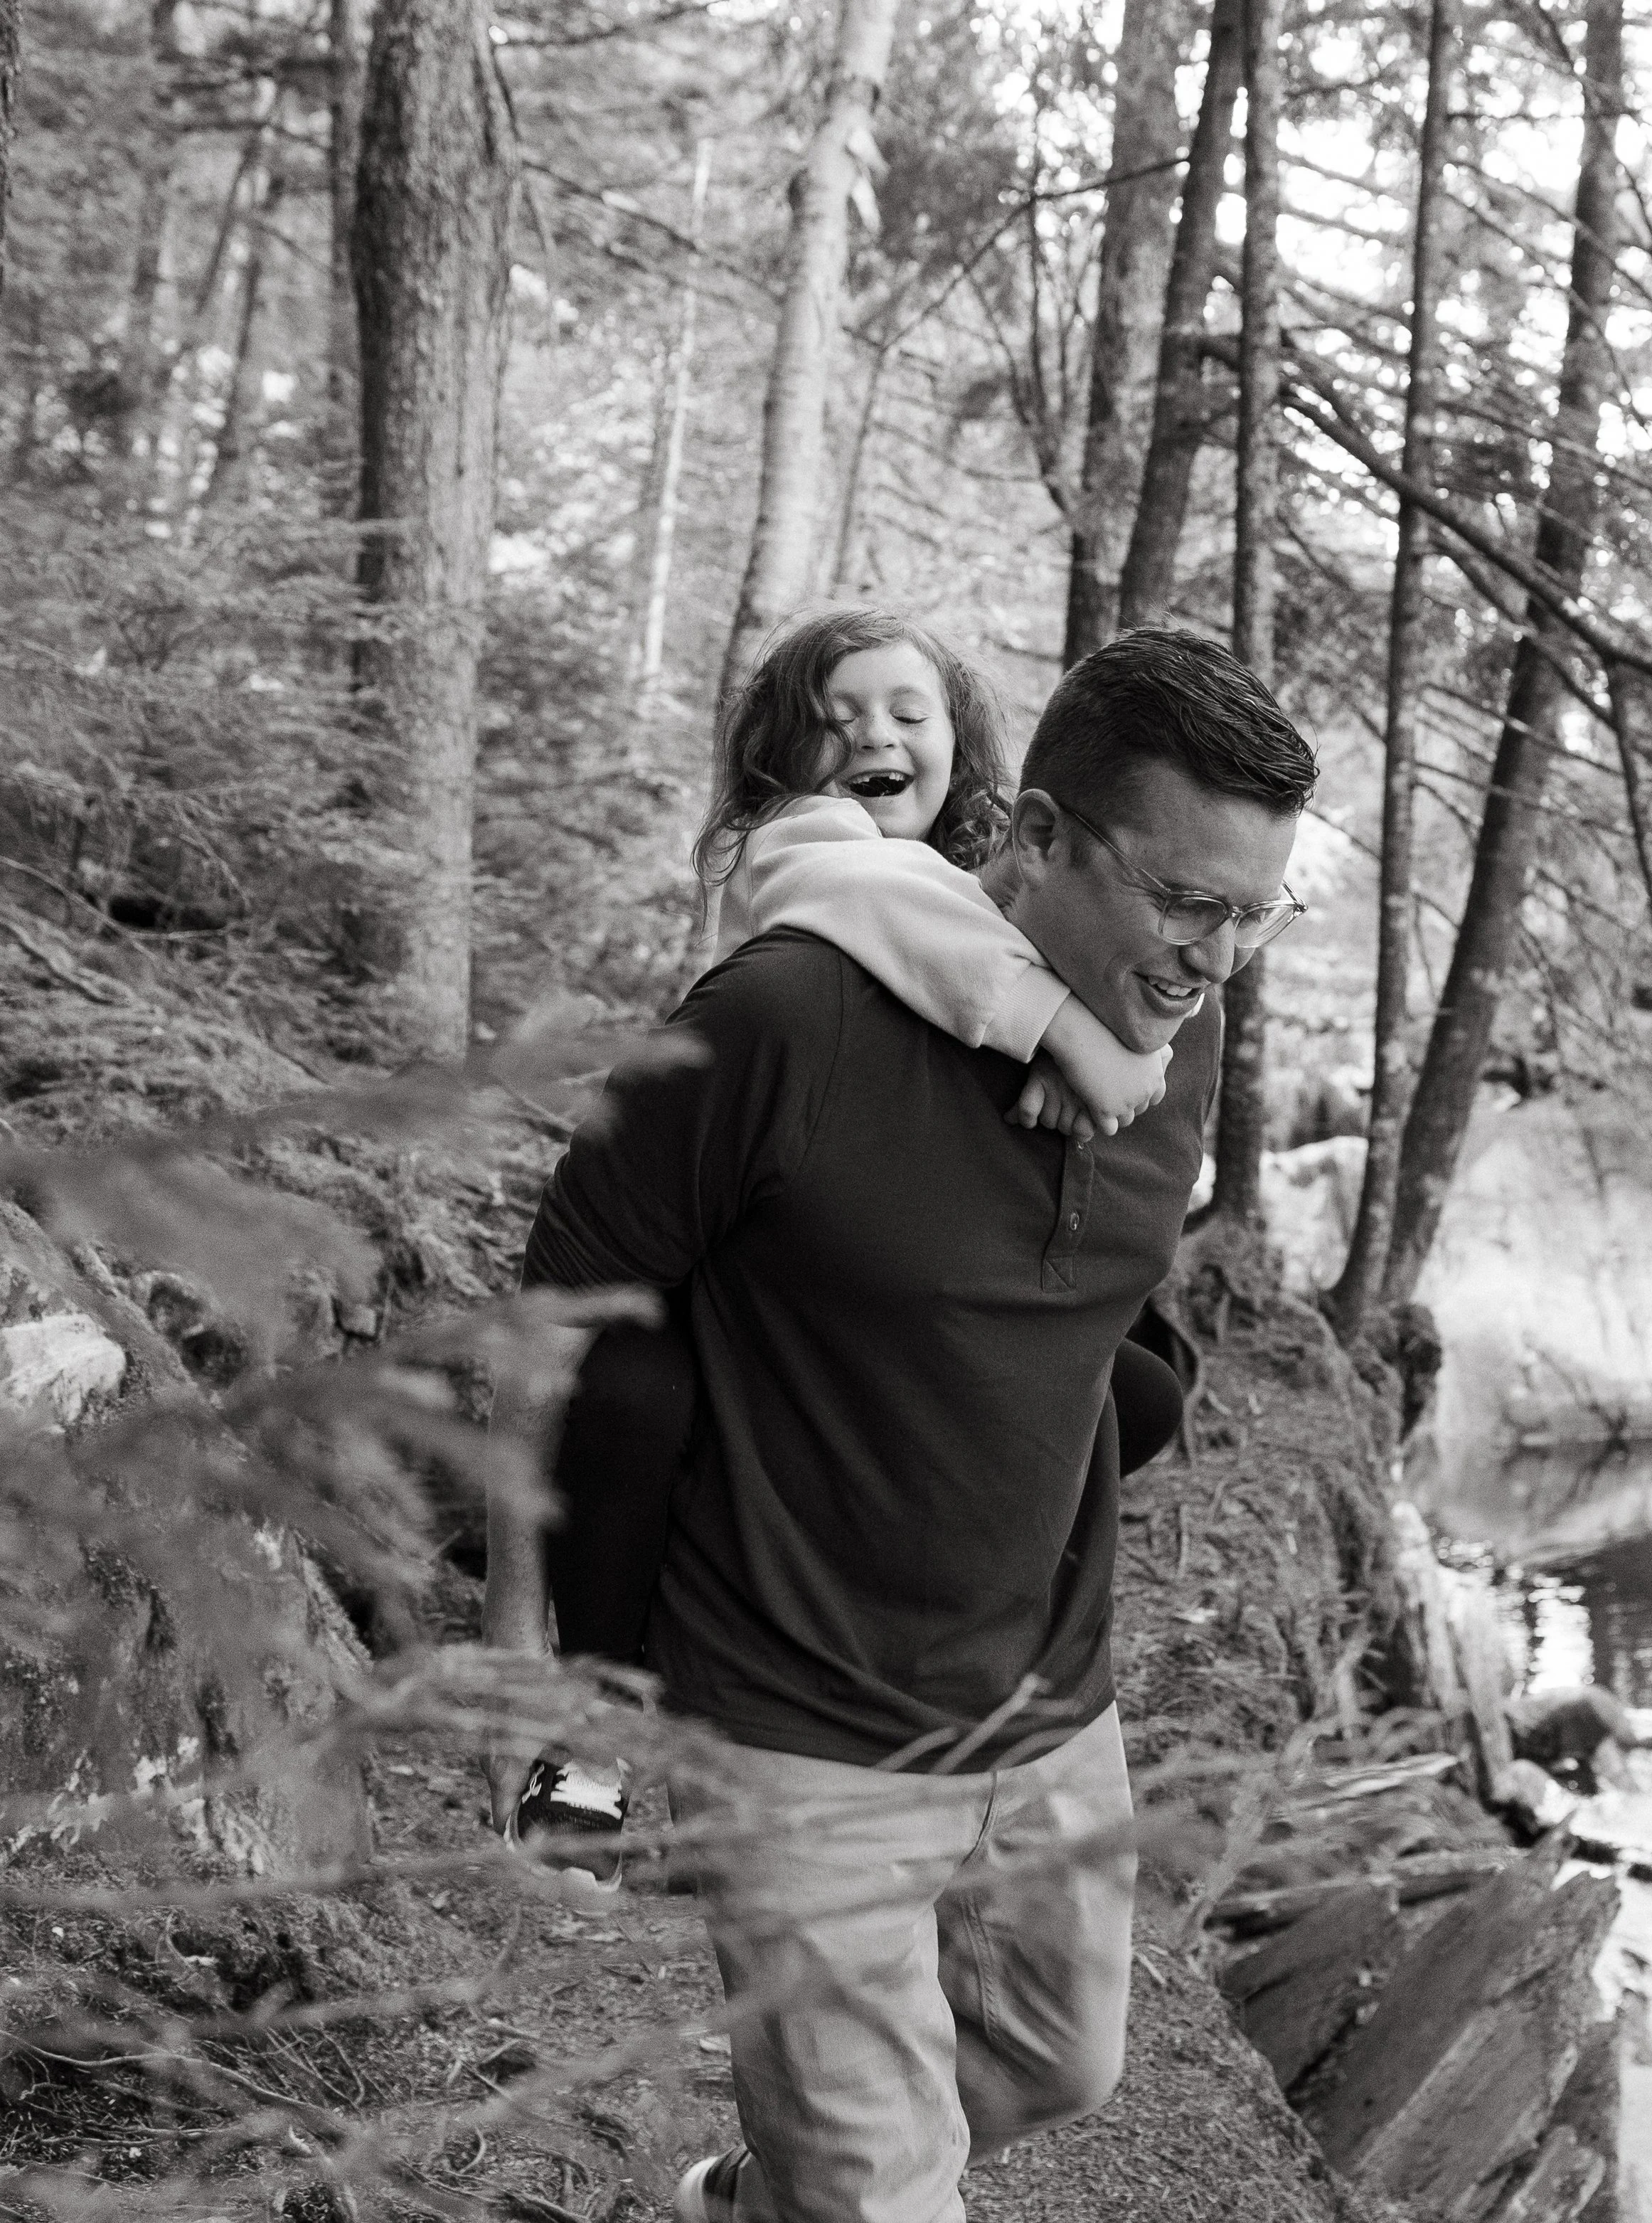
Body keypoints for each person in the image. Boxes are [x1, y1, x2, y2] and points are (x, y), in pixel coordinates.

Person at [485, 624, 1315, 2223]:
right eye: (1182, 900)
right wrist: (529, 1666)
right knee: (883, 2186)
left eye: (1250, 913)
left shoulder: (1172, 1029)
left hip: (1048, 1700)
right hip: (797, 1718)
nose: (1213, 955)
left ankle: (754, 2193)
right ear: (1039, 835)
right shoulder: (784, 1018)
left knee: (1054, 2061)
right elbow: (559, 1314)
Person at [504, 610, 1186, 1884]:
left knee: (1132, 1392)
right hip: (726, 1302)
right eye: (834, 715)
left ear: (963, 746)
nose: (872, 732)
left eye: (906, 711)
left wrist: (1108, 1041)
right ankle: (594, 1736)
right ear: (782, 761)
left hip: (882, 1352)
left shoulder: (991, 881)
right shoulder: (805, 855)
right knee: (637, 1405)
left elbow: (1138, 953)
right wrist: (1073, 1038)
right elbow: (886, 911)